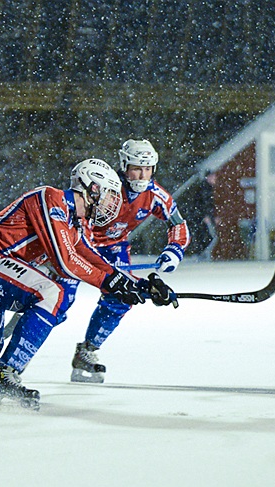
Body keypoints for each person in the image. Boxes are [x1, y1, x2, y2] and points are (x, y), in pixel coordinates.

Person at [0, 158, 177, 408]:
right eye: (109, 195)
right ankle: (6, 373)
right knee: (51, 293)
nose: (111, 204)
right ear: (92, 187)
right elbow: (67, 261)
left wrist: (139, 285)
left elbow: (92, 258)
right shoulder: (51, 198)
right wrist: (111, 281)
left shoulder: (76, 224)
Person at [61, 139, 190, 383]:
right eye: (136, 168)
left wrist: (175, 249)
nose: (142, 175)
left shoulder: (155, 195)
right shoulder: (106, 186)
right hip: (80, 243)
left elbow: (178, 224)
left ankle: (87, 351)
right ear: (123, 165)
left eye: (148, 169)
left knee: (123, 297)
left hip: (115, 247)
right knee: (60, 301)